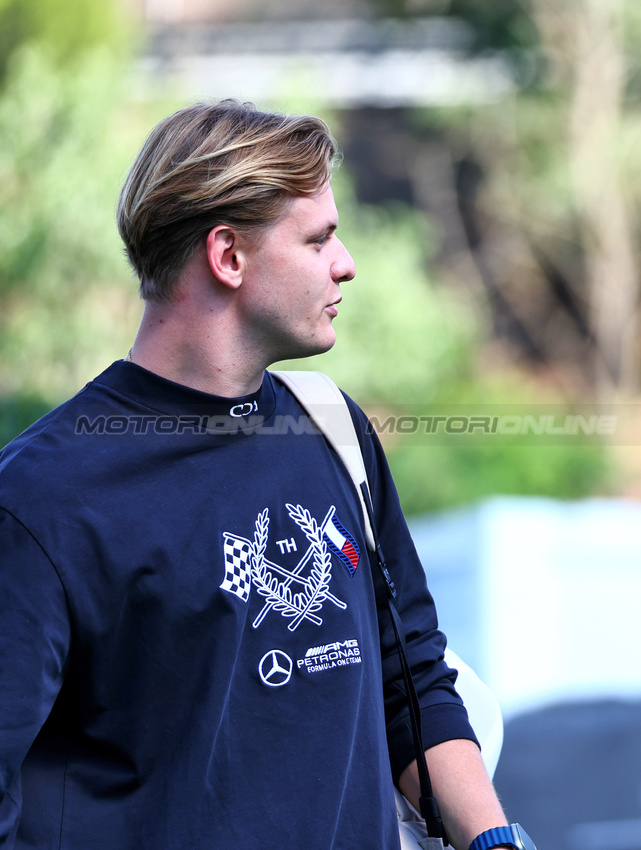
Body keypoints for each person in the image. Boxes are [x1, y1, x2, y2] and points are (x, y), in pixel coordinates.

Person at [0, 101, 533, 850]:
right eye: (318, 239)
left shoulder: (331, 430)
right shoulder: (41, 498)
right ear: (228, 256)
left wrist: (492, 840)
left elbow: (409, 678)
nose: (345, 262)